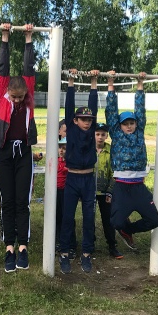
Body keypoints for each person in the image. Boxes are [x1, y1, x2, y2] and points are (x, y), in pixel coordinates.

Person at [0, 23, 37, 273]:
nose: (18, 100)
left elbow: (28, 69)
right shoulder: (3, 92)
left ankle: (23, 247)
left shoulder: (28, 97)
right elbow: (3, 68)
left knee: (23, 201)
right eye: (14, 96)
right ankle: (9, 246)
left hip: (24, 153)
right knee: (7, 200)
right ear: (8, 91)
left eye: (21, 97)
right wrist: (5, 37)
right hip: (4, 152)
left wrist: (28, 38)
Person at [105, 71, 158, 251]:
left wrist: (140, 84)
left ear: (136, 124)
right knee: (116, 222)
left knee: (154, 220)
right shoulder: (116, 133)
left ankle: (128, 230)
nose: (129, 126)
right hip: (121, 186)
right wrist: (111, 83)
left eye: (132, 123)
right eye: (125, 123)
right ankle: (123, 227)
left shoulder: (139, 132)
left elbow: (140, 109)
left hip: (138, 187)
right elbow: (111, 111)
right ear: (119, 125)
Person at [59, 69, 99, 274]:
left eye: (89, 119)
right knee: (68, 218)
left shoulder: (91, 131)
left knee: (89, 219)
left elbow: (93, 107)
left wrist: (94, 82)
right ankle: (64, 253)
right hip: (73, 179)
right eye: (83, 119)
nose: (87, 121)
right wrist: (71, 81)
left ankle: (86, 254)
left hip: (89, 180)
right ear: (75, 120)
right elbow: (69, 106)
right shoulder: (72, 128)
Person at [94, 122, 123, 259]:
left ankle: (112, 246)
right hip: (90, 191)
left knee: (108, 220)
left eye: (103, 134)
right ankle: (89, 244)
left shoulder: (111, 151)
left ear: (107, 136)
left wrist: (110, 191)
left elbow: (114, 173)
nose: (100, 137)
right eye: (97, 134)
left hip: (105, 192)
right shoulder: (88, 149)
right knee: (89, 219)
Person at [55, 137, 77, 256]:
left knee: (68, 218)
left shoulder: (71, 162)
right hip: (56, 192)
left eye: (64, 148)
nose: (61, 150)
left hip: (67, 192)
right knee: (57, 217)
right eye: (60, 148)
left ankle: (71, 244)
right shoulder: (56, 161)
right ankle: (59, 241)